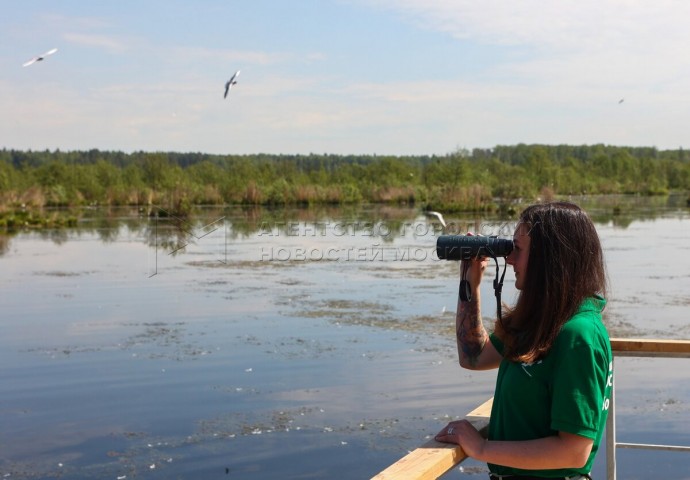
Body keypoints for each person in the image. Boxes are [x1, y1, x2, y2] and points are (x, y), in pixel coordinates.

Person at [435, 201, 613, 480]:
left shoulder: (578, 336)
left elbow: (574, 451)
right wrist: (469, 281)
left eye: (517, 249)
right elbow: (474, 356)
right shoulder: (541, 321)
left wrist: (481, 447)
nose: (509, 259)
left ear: (550, 258)